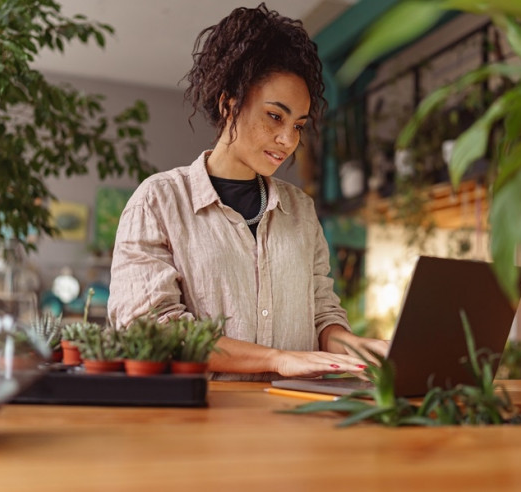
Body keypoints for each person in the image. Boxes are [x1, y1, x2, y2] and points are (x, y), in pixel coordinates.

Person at [108, 3, 388, 381]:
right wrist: (275, 359)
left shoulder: (300, 210)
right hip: (200, 427)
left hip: (296, 423)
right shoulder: (158, 201)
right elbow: (151, 330)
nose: (288, 140)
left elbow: (323, 315)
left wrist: (360, 348)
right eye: (275, 116)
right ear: (229, 104)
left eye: (299, 125)